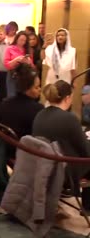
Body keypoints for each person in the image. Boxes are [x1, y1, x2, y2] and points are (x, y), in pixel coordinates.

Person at [32, 80, 90, 209]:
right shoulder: (69, 119)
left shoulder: (40, 114)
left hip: (43, 165)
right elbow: (85, 151)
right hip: (62, 170)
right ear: (68, 97)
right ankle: (87, 207)